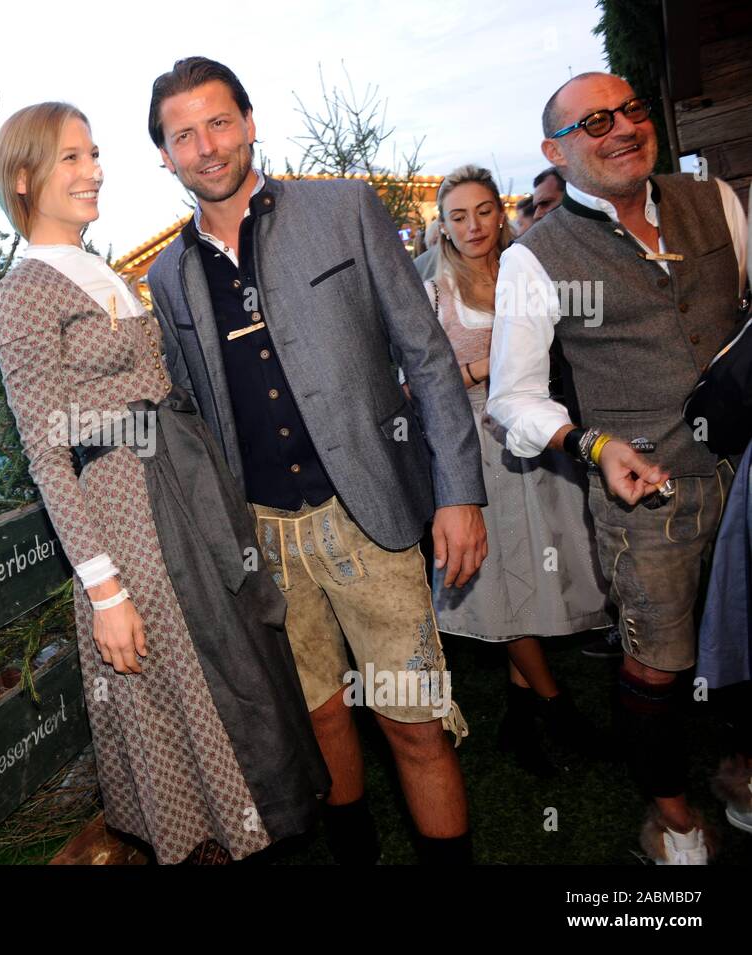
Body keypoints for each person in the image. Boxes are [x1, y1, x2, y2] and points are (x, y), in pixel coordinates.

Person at [145, 57, 486, 865]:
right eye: (182, 135)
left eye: (218, 122)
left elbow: (428, 357)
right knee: (321, 717)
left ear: (250, 122)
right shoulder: (168, 275)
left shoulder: (342, 209)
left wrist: (459, 492)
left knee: (410, 718)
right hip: (263, 535)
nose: (206, 146)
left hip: (369, 512)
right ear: (164, 156)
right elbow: (189, 411)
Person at [0, 101, 329, 864]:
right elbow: (47, 452)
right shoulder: (25, 291)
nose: (94, 170)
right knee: (199, 715)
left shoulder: (94, 266)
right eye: (72, 158)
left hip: (184, 497)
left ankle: (275, 831)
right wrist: (105, 590)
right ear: (24, 176)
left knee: (239, 680)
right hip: (129, 528)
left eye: (94, 154)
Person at [487, 71, 750, 864]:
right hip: (649, 496)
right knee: (659, 661)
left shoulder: (720, 202)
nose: (623, 127)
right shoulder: (534, 257)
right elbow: (513, 398)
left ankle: (740, 769)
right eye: (594, 121)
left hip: (748, 470)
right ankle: (671, 814)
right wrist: (593, 446)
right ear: (556, 152)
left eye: (631, 109)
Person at [426, 164, 611, 776]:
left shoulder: (527, 268)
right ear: (444, 227)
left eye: (483, 211)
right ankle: (558, 708)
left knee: (530, 572)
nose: (473, 225)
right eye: (458, 216)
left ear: (498, 214)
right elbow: (417, 385)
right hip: (476, 442)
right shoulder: (435, 290)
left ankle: (520, 719)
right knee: (502, 574)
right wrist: (486, 371)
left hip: (537, 434)